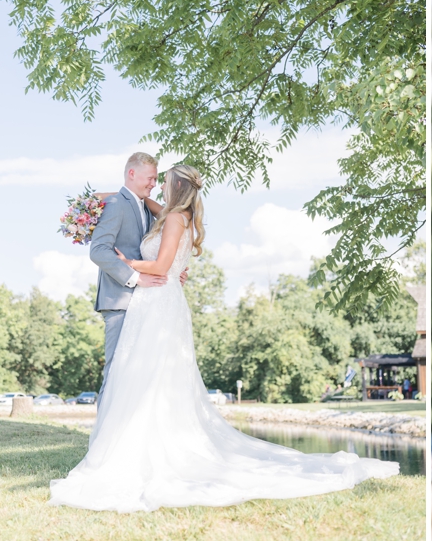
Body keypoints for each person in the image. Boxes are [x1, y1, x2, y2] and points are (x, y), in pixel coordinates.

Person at [48, 164, 399, 512]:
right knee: (145, 379)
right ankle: (127, 446)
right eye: (153, 180)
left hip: (156, 299)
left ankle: (141, 452)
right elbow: (136, 201)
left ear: (175, 188)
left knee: (148, 378)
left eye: (162, 182)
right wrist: (111, 197)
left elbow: (160, 265)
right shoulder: (171, 212)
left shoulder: (174, 219)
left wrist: (129, 262)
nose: (156, 187)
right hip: (156, 303)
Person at [88, 152, 169, 391]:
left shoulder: (144, 208)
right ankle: (104, 430)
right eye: (151, 178)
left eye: (156, 180)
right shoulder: (115, 204)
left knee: (137, 375)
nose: (154, 184)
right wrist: (136, 278)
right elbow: (99, 251)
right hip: (120, 300)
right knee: (115, 373)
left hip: (144, 301)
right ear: (132, 174)